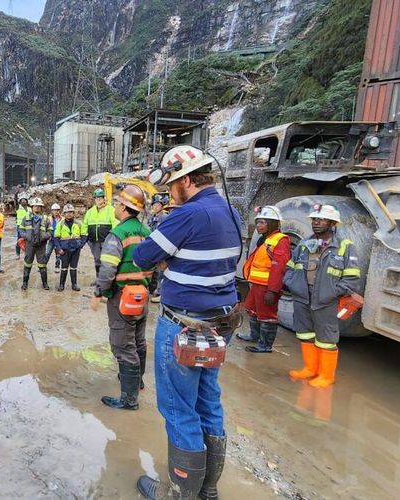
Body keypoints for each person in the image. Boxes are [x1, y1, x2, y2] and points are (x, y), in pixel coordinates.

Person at [133, 145, 242, 500]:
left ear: (186, 179)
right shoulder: (231, 211)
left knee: (178, 408)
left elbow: (142, 257)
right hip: (219, 324)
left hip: (182, 323)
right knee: (208, 402)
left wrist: (167, 263)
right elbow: (212, 264)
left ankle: (180, 493)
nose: (168, 193)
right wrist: (177, 264)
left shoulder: (185, 215)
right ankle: (207, 490)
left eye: (171, 185)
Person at [284, 203, 360, 388]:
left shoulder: (344, 246)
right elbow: (290, 268)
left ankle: (326, 376)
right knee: (305, 334)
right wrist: (293, 285)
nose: (316, 223)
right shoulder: (304, 244)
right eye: (314, 219)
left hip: (326, 300)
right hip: (303, 297)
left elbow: (352, 277)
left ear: (332, 223)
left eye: (322, 219)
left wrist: (332, 293)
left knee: (326, 339)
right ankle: (310, 369)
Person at [91, 185, 152, 411]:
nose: (115, 207)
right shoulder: (146, 232)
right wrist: (150, 288)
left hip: (122, 297)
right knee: (138, 341)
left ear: (125, 207)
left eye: (118, 203)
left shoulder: (117, 234)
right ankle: (138, 382)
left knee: (122, 346)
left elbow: (107, 270)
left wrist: (99, 292)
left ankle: (129, 400)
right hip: (142, 295)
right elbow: (154, 266)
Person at [238, 205, 290, 353]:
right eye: (258, 222)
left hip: (267, 286)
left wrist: (272, 290)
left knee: (267, 315)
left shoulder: (280, 240)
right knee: (252, 309)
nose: (258, 226)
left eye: (263, 222)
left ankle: (265, 345)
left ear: (273, 223)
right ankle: (255, 335)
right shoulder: (266, 239)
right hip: (257, 284)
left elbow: (278, 267)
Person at [83, 187, 118, 282]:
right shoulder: (90, 212)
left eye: (100, 197)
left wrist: (113, 238)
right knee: (97, 260)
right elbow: (85, 225)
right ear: (94, 199)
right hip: (94, 241)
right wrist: (85, 237)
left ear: (104, 198)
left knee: (108, 261)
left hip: (107, 240)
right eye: (97, 198)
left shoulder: (110, 210)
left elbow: (115, 224)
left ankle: (109, 279)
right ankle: (99, 279)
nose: (99, 199)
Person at [19, 197, 53, 291]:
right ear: (32, 207)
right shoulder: (26, 217)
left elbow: (50, 231)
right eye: (35, 206)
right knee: (27, 264)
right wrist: (27, 237)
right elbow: (21, 230)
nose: (37, 208)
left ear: (41, 208)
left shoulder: (46, 218)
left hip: (41, 245)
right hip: (29, 245)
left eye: (39, 206)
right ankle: (25, 283)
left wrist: (44, 237)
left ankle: (45, 283)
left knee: (42, 265)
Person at [53, 204, 86, 291]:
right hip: (64, 249)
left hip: (76, 249)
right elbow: (56, 238)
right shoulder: (60, 224)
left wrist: (81, 245)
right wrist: (59, 249)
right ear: (64, 214)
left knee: (74, 267)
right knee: (64, 267)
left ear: (73, 213)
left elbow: (84, 234)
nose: (69, 214)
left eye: (70, 212)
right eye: (67, 212)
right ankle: (61, 285)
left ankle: (74, 284)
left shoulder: (79, 223)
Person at [146, 194, 169, 303]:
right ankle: (153, 289)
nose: (155, 207)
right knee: (153, 270)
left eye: (157, 204)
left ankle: (160, 292)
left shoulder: (165, 217)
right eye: (154, 205)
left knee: (161, 271)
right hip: (153, 245)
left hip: (162, 246)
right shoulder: (152, 217)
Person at [46, 203, 63, 273]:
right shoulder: (48, 219)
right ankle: (43, 265)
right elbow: (45, 228)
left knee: (58, 254)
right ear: (51, 211)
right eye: (54, 210)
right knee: (47, 253)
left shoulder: (63, 219)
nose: (55, 212)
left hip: (59, 240)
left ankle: (57, 266)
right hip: (52, 239)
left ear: (59, 211)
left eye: (57, 210)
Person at [15, 193, 29, 259]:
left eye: (24, 200)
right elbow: (15, 200)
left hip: (28, 226)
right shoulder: (18, 208)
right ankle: (17, 254)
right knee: (19, 240)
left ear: (26, 201)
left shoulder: (29, 209)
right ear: (20, 201)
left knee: (27, 240)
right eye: (22, 200)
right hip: (20, 227)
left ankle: (26, 253)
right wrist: (16, 194)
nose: (23, 201)